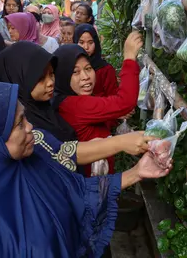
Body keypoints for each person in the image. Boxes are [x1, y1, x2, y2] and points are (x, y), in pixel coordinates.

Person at [0, 81, 172, 257]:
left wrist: (136, 172)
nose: (30, 127)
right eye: (19, 124)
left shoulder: (32, 162)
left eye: (26, 117)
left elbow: (76, 192)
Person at [0, 41, 154, 170]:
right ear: (20, 78)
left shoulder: (45, 106)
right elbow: (62, 152)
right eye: (40, 78)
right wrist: (121, 143)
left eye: (51, 74)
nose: (50, 83)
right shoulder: (25, 123)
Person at [53, 32, 142, 176]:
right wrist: (130, 59)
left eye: (88, 69)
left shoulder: (64, 100)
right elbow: (125, 102)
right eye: (75, 72)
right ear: (62, 76)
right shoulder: (75, 105)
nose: (85, 77)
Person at [74, 23, 118, 98]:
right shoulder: (70, 66)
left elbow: (113, 98)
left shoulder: (106, 70)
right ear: (74, 42)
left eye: (90, 42)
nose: (86, 47)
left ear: (96, 43)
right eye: (81, 42)